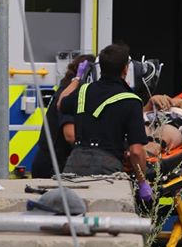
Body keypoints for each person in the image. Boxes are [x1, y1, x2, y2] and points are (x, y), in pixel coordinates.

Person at [59, 43, 152, 203]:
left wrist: (77, 78)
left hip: (74, 163)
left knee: (72, 213)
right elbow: (136, 151)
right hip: (107, 167)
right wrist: (142, 182)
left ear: (100, 68)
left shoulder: (83, 91)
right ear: (125, 69)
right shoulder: (131, 101)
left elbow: (61, 103)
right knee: (105, 215)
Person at [32, 53, 94, 179]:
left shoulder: (66, 89)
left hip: (51, 161)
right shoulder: (72, 95)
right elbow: (70, 135)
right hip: (53, 166)